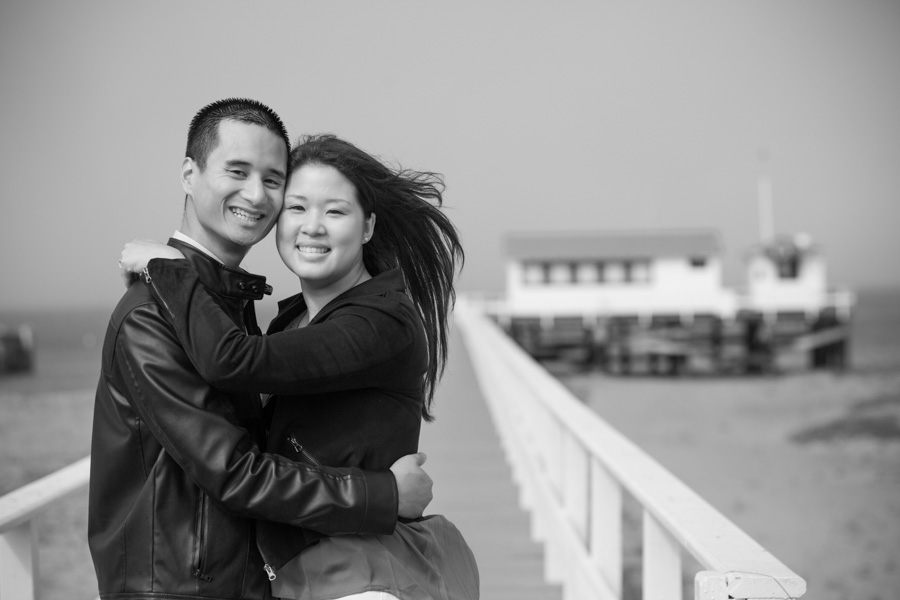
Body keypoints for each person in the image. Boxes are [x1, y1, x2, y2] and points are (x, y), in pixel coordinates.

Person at [90, 100, 433, 600]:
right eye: (237, 171)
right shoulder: (154, 314)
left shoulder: (227, 308)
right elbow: (234, 470)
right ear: (189, 173)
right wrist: (384, 494)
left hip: (271, 580)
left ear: (366, 226)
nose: (256, 194)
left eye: (273, 180)